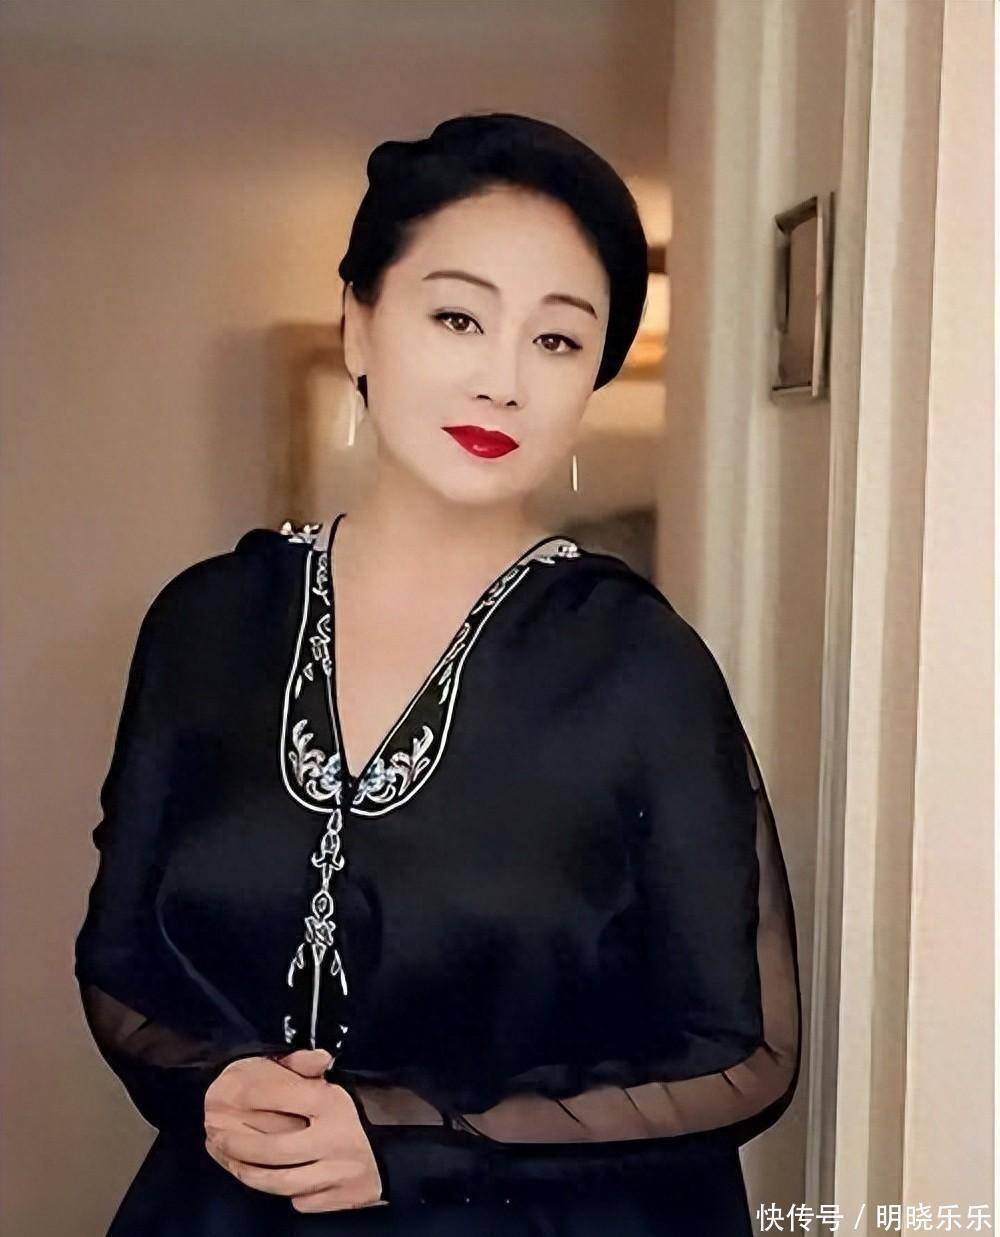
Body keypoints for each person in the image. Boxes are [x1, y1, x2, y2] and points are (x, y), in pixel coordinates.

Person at [76, 112, 801, 1236]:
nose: (502, 380)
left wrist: (419, 1141)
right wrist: (210, 1084)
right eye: (459, 316)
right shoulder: (206, 626)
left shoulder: (636, 666)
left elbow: (742, 1054)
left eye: (556, 340)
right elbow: (123, 963)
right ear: (358, 321)